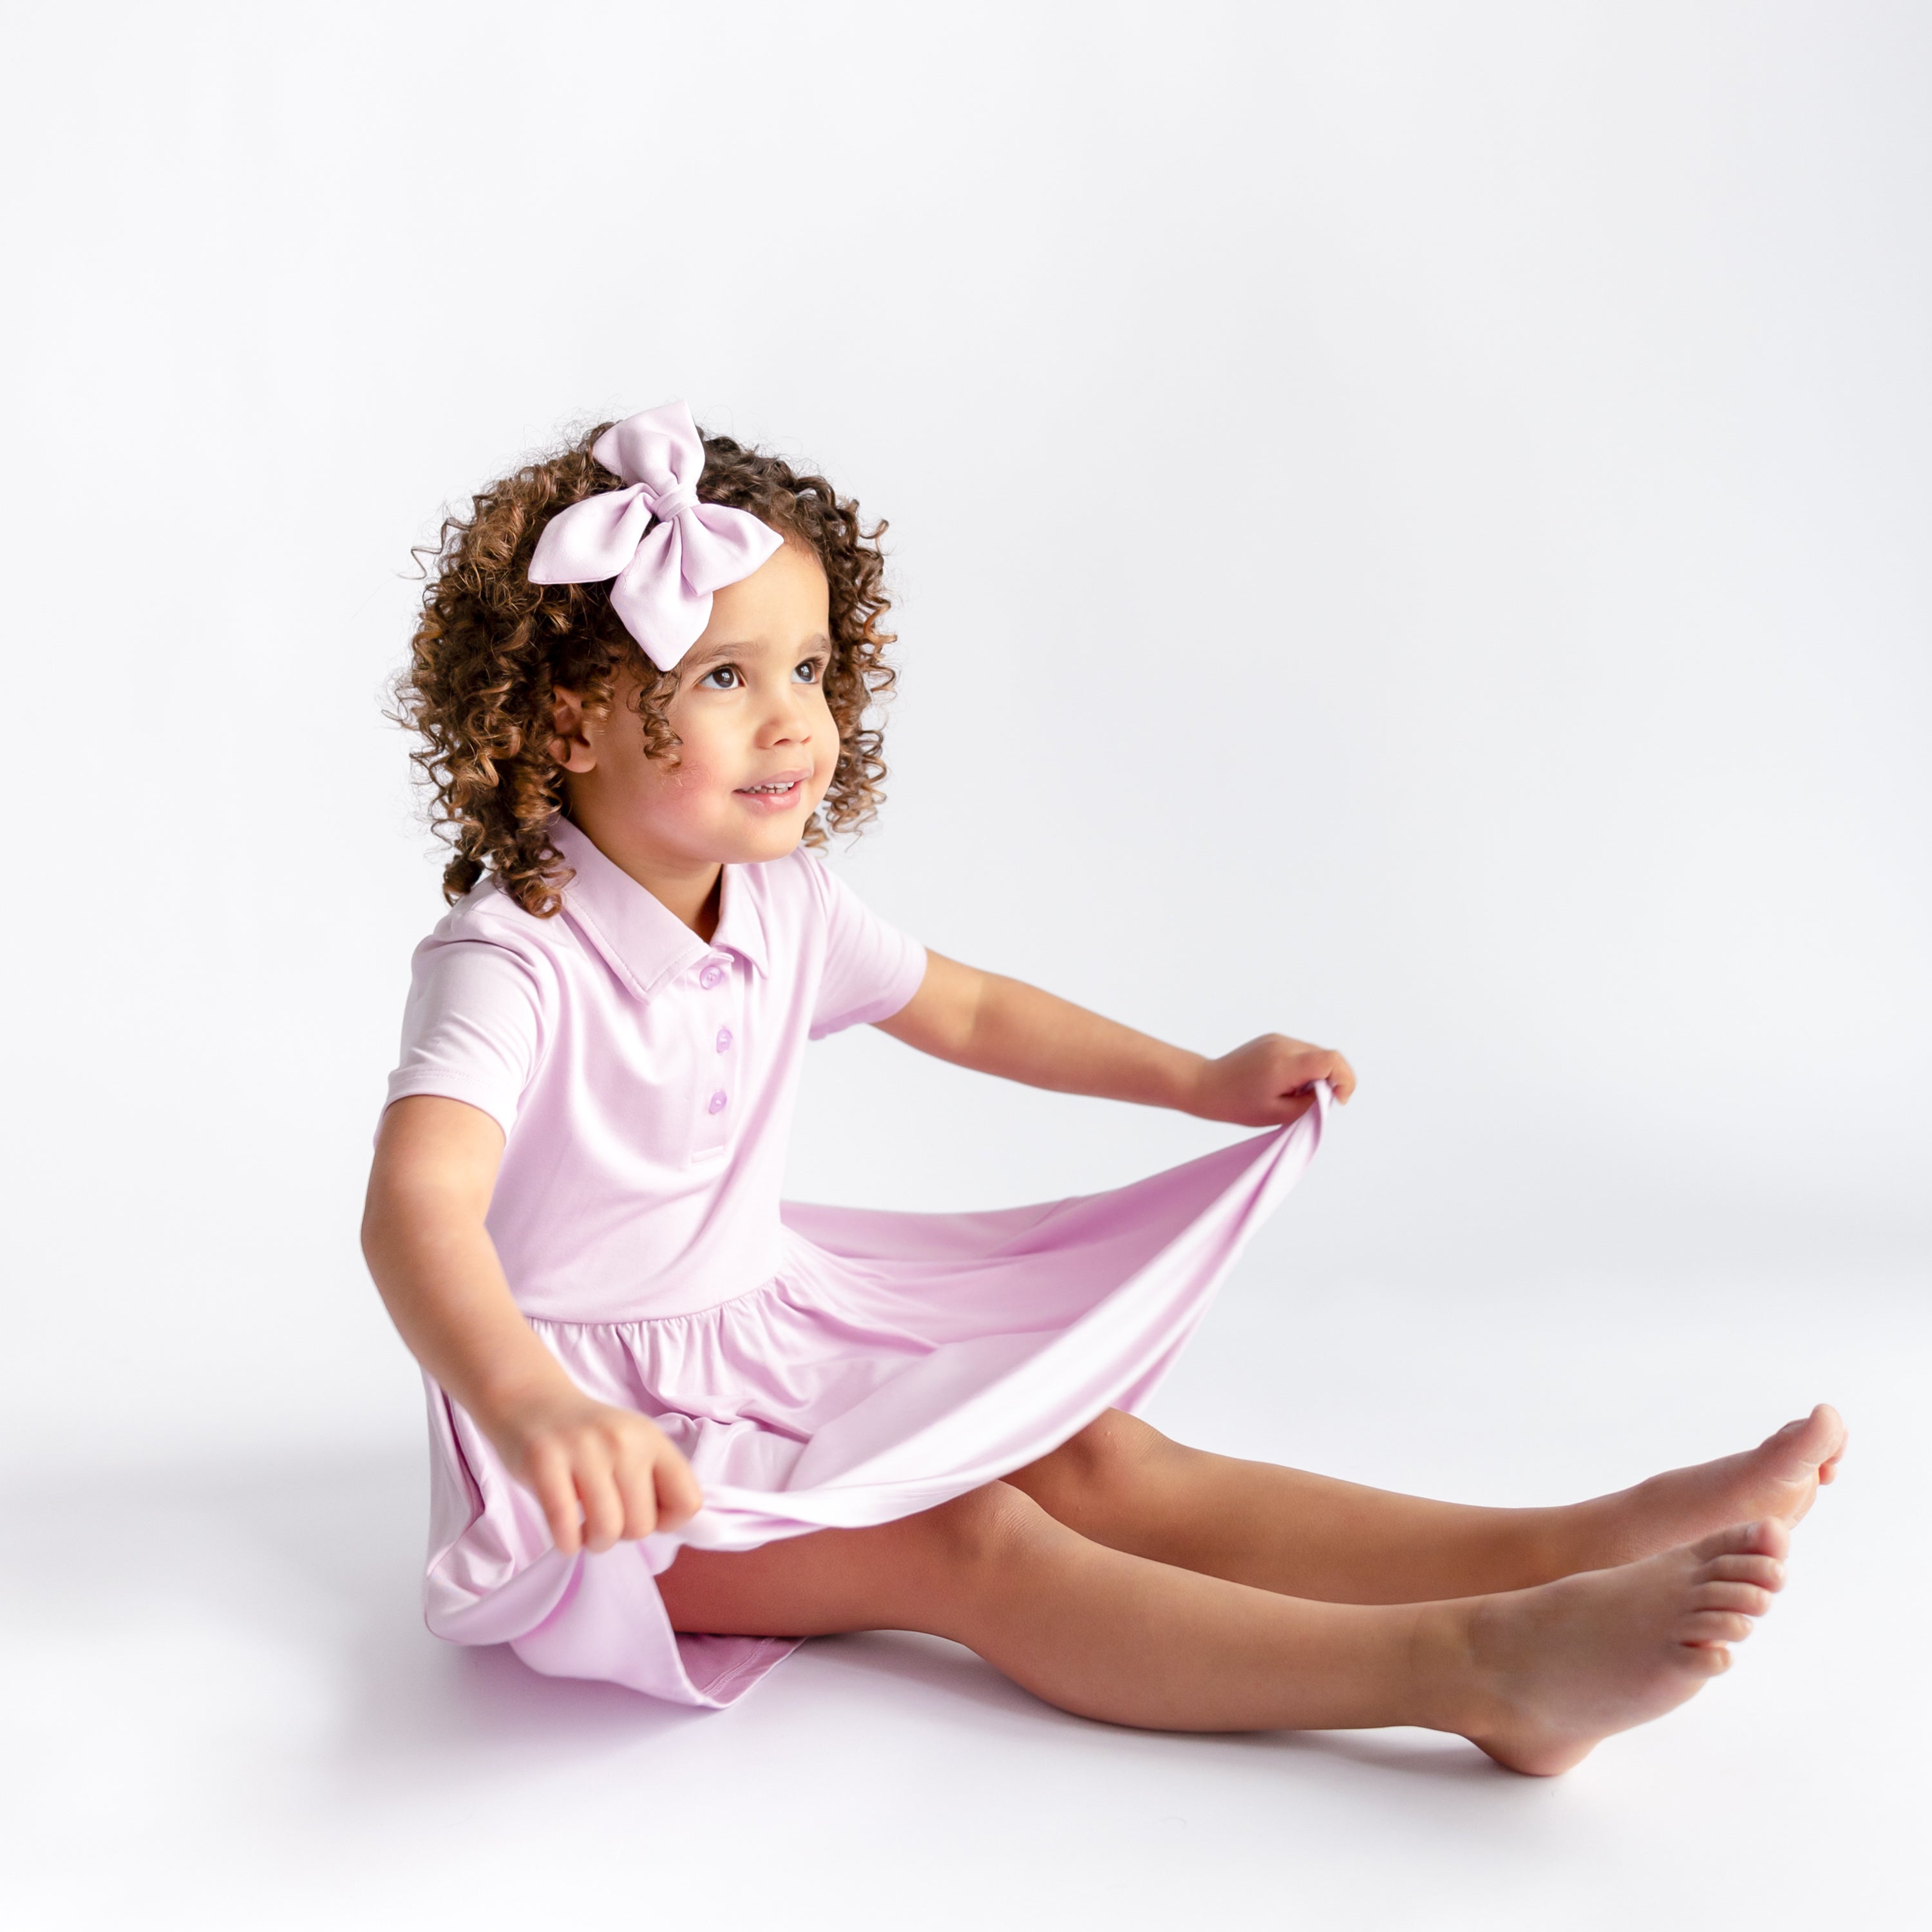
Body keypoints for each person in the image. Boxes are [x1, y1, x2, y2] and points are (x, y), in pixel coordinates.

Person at [361, 401, 1845, 1775]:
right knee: (969, 1542)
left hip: (774, 1351)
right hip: (600, 1461)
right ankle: (1473, 1669)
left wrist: (1194, 1080)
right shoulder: (515, 956)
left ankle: (1579, 1540)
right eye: (727, 679)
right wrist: (538, 1412)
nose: (796, 722)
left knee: (1098, 1453)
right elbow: (416, 1211)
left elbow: (975, 1009)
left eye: (809, 669)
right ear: (565, 722)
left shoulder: (785, 904)